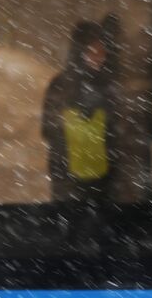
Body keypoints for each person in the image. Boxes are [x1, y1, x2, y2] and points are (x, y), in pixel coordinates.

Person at [42, 21, 120, 214]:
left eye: (102, 51)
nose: (100, 57)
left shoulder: (107, 85)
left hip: (102, 181)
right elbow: (48, 130)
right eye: (93, 51)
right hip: (69, 182)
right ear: (79, 52)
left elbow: (114, 134)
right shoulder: (61, 86)